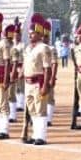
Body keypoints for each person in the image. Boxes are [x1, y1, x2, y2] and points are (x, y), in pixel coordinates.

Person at [22, 13, 52, 145]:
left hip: (38, 82)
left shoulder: (43, 48)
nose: (30, 35)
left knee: (40, 110)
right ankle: (35, 134)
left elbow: (47, 69)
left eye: (33, 33)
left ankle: (41, 136)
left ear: (39, 34)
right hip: (28, 82)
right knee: (32, 110)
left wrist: (45, 85)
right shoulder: (28, 48)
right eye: (29, 33)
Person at [43, 19, 59, 127]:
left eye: (46, 36)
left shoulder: (51, 48)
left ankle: (48, 118)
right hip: (39, 75)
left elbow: (54, 63)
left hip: (48, 75)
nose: (44, 38)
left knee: (49, 97)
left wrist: (52, 77)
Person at [5, 23, 20, 123]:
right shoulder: (6, 47)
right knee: (6, 95)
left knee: (11, 94)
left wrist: (13, 74)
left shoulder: (13, 49)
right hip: (5, 72)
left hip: (11, 72)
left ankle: (13, 115)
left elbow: (15, 62)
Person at [13, 19, 26, 112]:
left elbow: (25, 58)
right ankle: (17, 102)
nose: (17, 36)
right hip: (13, 67)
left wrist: (22, 70)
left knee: (21, 86)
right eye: (15, 35)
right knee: (15, 86)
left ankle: (21, 104)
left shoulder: (23, 45)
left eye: (18, 35)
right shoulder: (12, 45)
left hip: (21, 66)